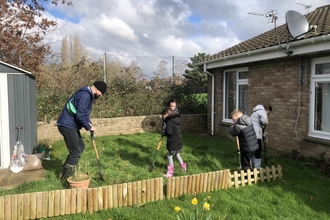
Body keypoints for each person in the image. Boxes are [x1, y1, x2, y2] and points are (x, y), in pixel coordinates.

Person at [56, 81, 107, 180]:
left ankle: (66, 171)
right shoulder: (85, 96)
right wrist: (89, 127)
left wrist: (89, 123)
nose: (101, 95)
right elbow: (80, 115)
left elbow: (82, 113)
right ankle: (66, 177)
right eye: (101, 92)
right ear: (97, 89)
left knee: (80, 147)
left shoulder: (86, 94)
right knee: (75, 152)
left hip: (70, 125)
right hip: (67, 126)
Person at [162, 106, 186, 178]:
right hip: (178, 140)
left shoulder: (169, 121)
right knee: (177, 154)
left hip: (173, 142)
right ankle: (183, 168)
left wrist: (164, 132)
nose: (163, 117)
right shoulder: (175, 119)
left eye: (163, 115)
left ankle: (170, 172)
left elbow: (169, 132)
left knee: (169, 156)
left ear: (166, 114)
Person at [250, 104, 272, 169]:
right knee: (258, 151)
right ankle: (257, 168)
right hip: (256, 134)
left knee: (252, 150)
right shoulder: (262, 111)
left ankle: (250, 166)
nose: (268, 114)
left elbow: (259, 125)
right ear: (267, 110)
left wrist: (263, 135)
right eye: (268, 113)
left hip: (251, 133)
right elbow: (265, 122)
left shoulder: (255, 112)